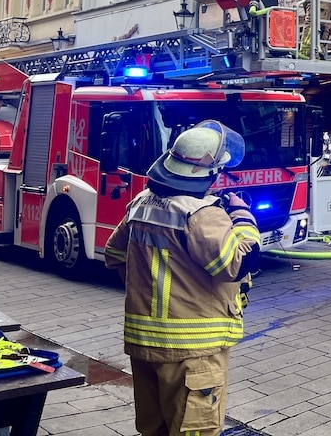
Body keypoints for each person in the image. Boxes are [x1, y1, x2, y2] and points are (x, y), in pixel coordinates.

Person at [104, 121, 261, 436]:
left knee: (155, 429)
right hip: (193, 353)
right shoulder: (203, 214)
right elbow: (241, 261)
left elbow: (115, 254)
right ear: (209, 174)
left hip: (145, 346)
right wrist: (242, 215)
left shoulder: (141, 204)